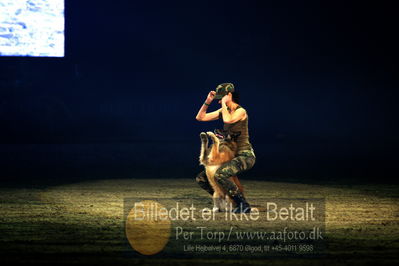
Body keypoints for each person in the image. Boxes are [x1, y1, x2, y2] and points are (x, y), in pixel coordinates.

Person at [195, 83, 256, 213]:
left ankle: (243, 205)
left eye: (221, 97)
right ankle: (223, 201)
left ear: (229, 95)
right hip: (230, 154)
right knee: (202, 178)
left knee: (221, 174)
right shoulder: (224, 111)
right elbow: (200, 117)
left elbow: (228, 120)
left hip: (244, 155)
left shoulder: (241, 111)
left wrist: (223, 104)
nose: (219, 100)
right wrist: (208, 101)